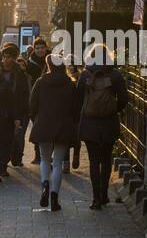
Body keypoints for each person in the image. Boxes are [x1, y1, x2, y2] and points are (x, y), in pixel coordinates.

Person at [76, 44, 129, 210]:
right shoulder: (115, 75)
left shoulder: (85, 75)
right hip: (109, 122)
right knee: (106, 160)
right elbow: (124, 98)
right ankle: (105, 194)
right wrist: (113, 110)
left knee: (93, 160)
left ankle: (95, 198)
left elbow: (77, 99)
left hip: (90, 123)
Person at [27, 51, 80, 212]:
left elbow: (32, 104)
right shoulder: (71, 84)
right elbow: (76, 108)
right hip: (63, 126)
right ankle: (54, 197)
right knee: (57, 163)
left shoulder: (40, 82)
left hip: (44, 124)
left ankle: (44, 184)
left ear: (48, 65)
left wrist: (36, 119)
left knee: (44, 160)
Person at [0, 42, 30, 171]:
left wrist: (23, 111)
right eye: (4, 57)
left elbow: (23, 93)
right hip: (1, 110)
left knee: (16, 136)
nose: (6, 60)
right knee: (1, 138)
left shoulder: (19, 72)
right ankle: (2, 164)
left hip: (17, 110)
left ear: (15, 58)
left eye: (9, 57)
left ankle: (16, 156)